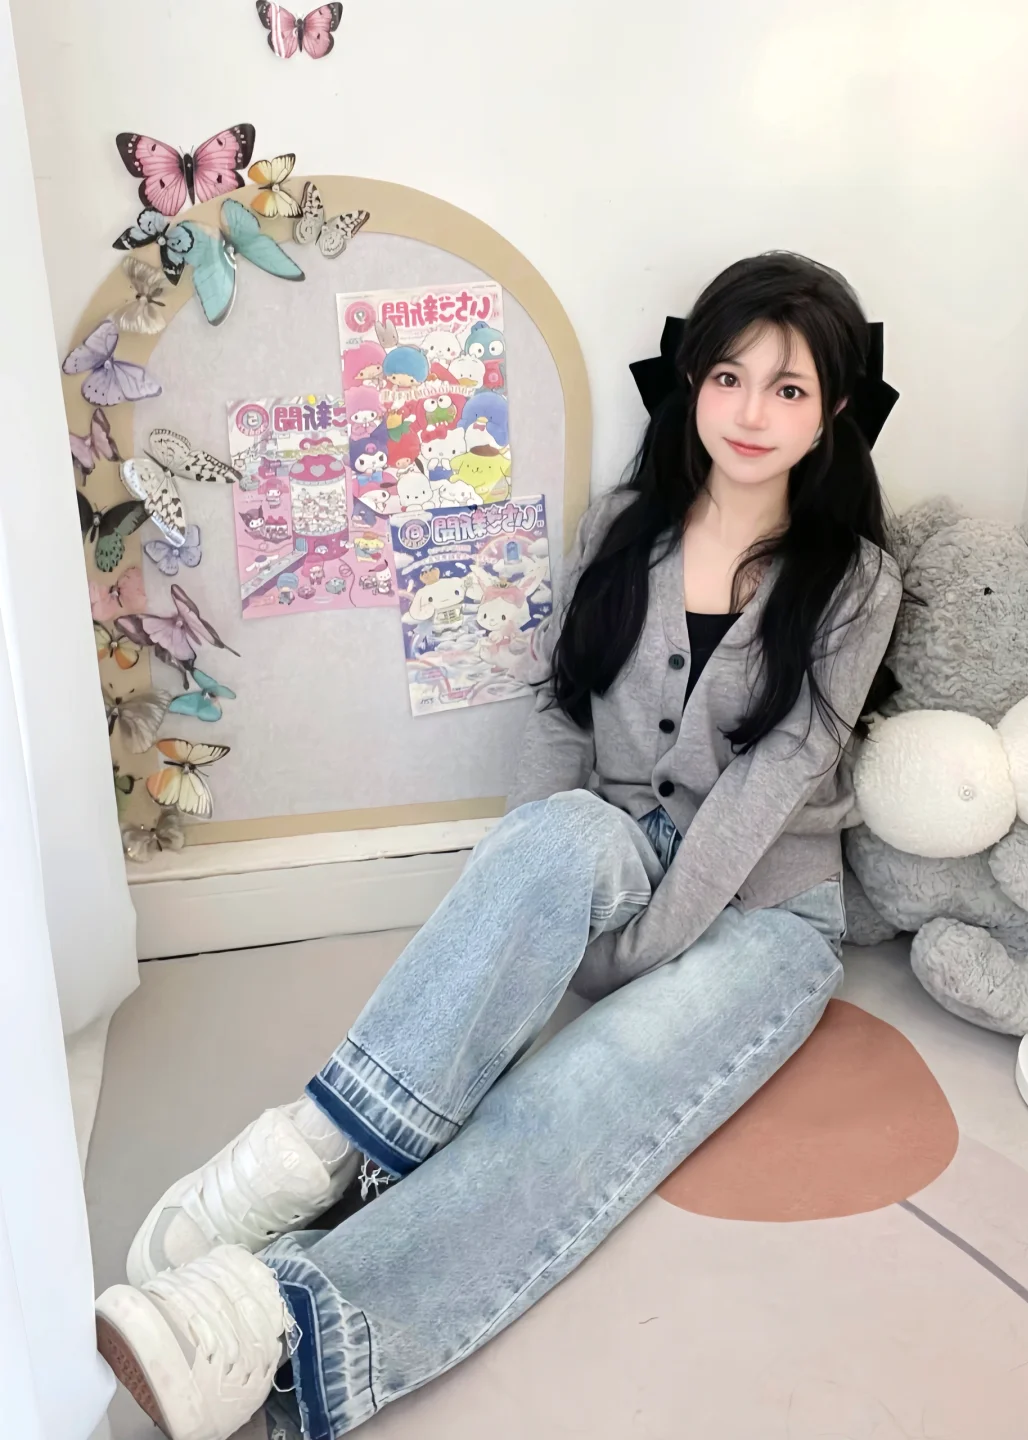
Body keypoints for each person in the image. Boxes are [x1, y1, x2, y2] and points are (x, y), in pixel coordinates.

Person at [95, 252, 904, 1440]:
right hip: (620, 842)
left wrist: (640, 949)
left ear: (831, 413)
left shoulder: (856, 582)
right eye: (729, 376)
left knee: (579, 1092)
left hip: (766, 914)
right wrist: (541, 880)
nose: (750, 412)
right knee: (557, 831)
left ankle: (290, 1323)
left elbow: (779, 774)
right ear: (691, 382)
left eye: (788, 389)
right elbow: (560, 711)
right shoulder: (623, 530)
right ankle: (314, 1150)